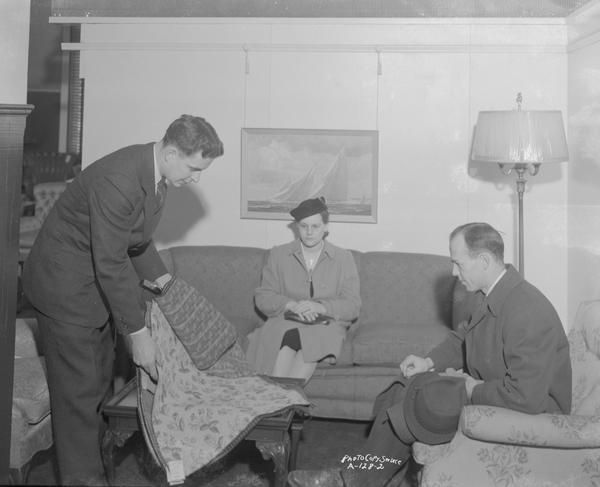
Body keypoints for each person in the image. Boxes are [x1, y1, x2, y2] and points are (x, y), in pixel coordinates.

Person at [288, 222, 572, 487]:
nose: (453, 273)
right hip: (495, 389)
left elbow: (527, 397)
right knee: (402, 387)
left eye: (458, 263)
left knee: (415, 402)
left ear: (484, 260)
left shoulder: (527, 310)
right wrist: (428, 362)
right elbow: (461, 338)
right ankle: (371, 475)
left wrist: (473, 390)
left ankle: (352, 480)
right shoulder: (489, 294)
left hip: (527, 411)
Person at [22, 114, 224, 486]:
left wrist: (165, 282)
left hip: (92, 285)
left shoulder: (157, 178)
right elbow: (112, 260)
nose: (196, 178)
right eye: (194, 168)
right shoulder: (120, 180)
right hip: (64, 288)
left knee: (98, 382)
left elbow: (137, 242)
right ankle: (83, 479)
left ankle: (92, 465)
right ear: (172, 152)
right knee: (78, 393)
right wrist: (139, 334)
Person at [245, 197, 361, 382]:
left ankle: (279, 402)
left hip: (326, 324)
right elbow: (263, 297)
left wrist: (320, 307)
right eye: (303, 226)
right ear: (296, 227)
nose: (309, 232)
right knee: (288, 337)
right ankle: (282, 402)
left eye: (315, 226)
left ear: (326, 227)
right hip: (286, 320)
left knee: (306, 340)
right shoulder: (278, 255)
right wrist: (290, 304)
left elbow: (352, 306)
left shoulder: (343, 258)